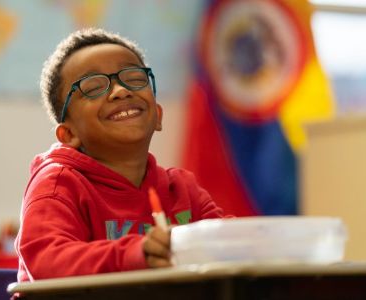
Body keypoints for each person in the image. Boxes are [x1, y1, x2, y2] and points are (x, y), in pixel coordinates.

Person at [15, 28, 225, 282]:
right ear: (68, 135)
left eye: (135, 78)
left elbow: (228, 243)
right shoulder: (58, 185)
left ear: (158, 115)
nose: (120, 91)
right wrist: (134, 255)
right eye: (93, 87)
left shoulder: (181, 189)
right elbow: (47, 261)